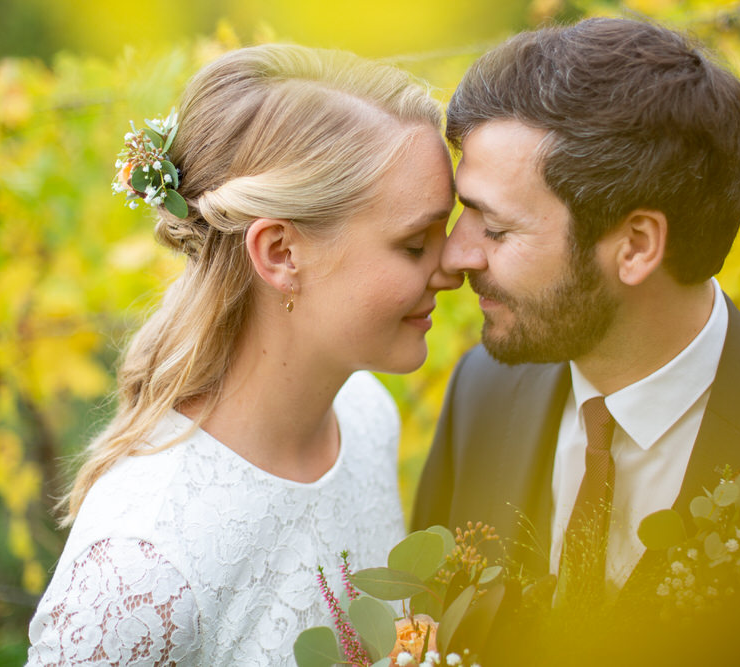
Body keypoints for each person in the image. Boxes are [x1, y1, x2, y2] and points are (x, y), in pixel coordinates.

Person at [412, 17, 740, 663]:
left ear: (636, 246)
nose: (457, 254)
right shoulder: (481, 394)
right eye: (466, 209)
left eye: (497, 228)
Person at [27, 44, 461, 665]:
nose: (453, 266)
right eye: (416, 244)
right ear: (281, 253)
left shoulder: (366, 415)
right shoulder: (141, 565)